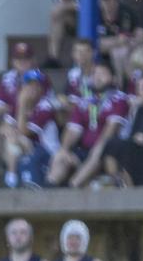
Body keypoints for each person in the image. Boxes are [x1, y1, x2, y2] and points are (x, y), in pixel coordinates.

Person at [48, 57, 130, 188]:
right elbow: (73, 130)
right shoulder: (85, 101)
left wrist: (96, 151)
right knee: (60, 157)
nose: (97, 78)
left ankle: (71, 188)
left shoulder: (119, 99)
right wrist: (64, 149)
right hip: (84, 151)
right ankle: (49, 188)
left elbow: (111, 130)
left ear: (114, 78)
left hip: (108, 152)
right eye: (95, 74)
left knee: (97, 155)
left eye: (102, 74)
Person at [102, 72, 143, 188]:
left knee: (126, 149)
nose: (142, 90)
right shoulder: (138, 109)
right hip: (135, 146)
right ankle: (117, 181)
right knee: (112, 144)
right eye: (140, 87)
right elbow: (130, 132)